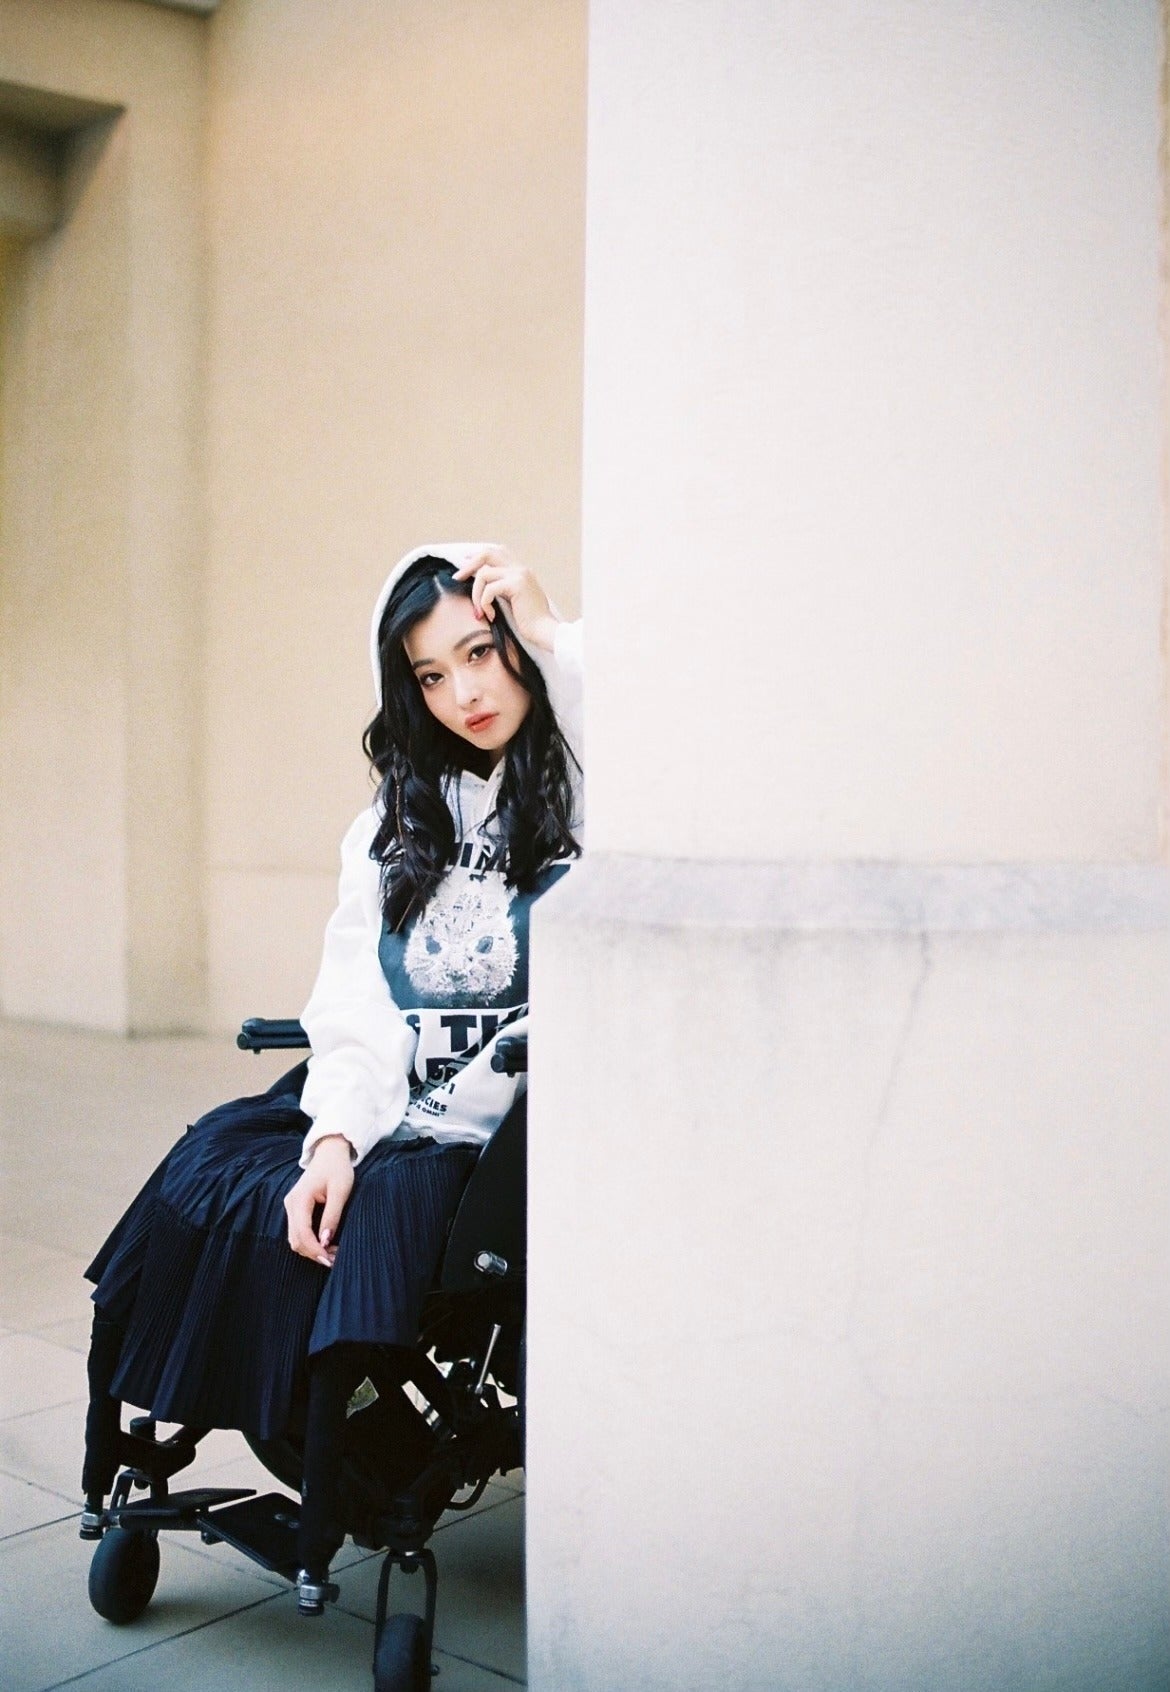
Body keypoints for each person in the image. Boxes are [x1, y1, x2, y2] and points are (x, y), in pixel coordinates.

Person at [80, 543, 582, 1557]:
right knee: (218, 1168)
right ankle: (221, 1440)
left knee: (374, 1215)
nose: (463, 694)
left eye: (481, 653)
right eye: (430, 676)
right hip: (386, 1102)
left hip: (496, 1134)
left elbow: (673, 735)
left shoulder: (590, 801)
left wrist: (551, 632)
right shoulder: (390, 827)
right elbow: (358, 1003)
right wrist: (336, 1142)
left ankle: (348, 1466)